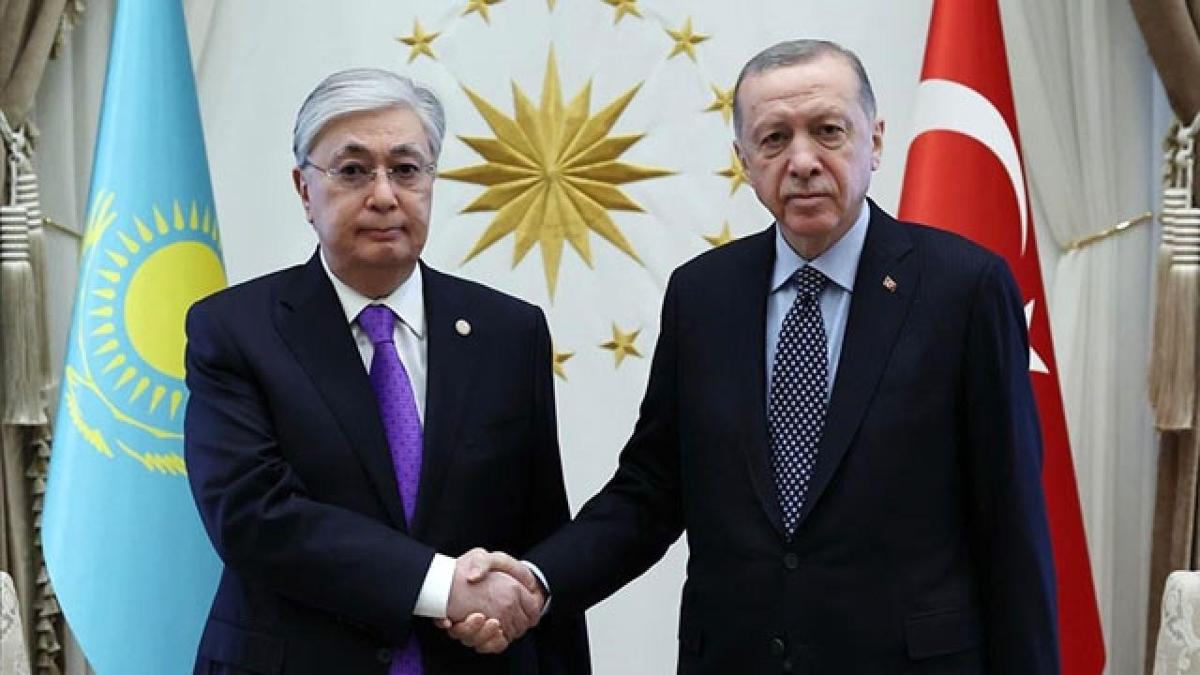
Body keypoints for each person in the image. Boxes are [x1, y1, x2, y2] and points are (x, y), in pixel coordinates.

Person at [450, 39, 1059, 673]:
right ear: (744, 160)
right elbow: (651, 490)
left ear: (875, 141)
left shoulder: (964, 288)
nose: (803, 162)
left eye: (828, 132)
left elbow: (1010, 520)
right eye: (774, 139)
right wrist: (537, 580)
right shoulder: (703, 294)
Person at [183, 68, 589, 675]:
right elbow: (252, 515)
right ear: (303, 189)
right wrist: (443, 585)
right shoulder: (235, 330)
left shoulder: (509, 333)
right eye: (352, 171)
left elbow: (539, 535)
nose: (383, 195)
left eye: (405, 169)